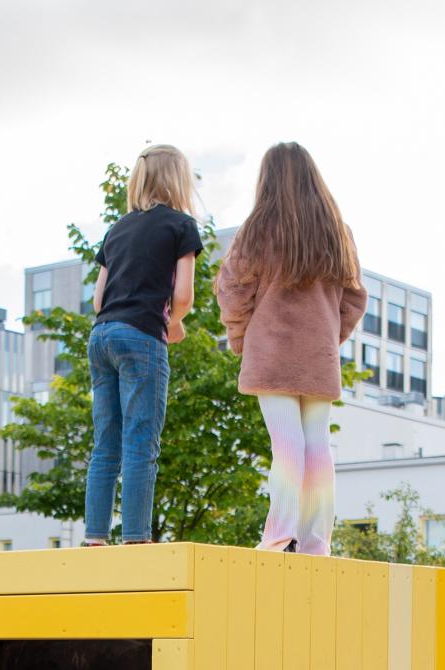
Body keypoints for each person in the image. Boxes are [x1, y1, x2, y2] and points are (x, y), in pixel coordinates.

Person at [215, 142, 368, 556]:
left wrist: (242, 341)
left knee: (286, 444)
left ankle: (281, 536)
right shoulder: (338, 231)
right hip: (319, 357)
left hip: (271, 353)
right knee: (316, 443)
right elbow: (355, 298)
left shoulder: (258, 229)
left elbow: (233, 290)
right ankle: (316, 540)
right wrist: (327, 338)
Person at [83, 144, 203, 546]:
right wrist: (173, 324)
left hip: (101, 336)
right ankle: (136, 539)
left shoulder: (116, 230)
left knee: (106, 444)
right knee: (140, 442)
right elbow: (184, 295)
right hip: (141, 339)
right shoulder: (181, 226)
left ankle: (95, 538)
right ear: (179, 180)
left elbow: (98, 300)